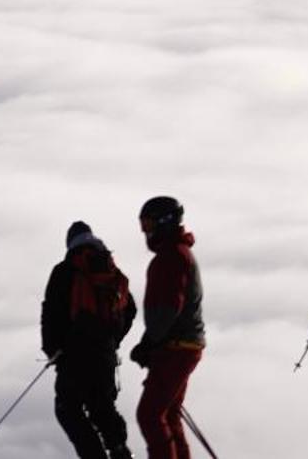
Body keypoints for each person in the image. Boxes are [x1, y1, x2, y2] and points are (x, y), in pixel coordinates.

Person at [42, 220, 138, 459]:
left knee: (67, 409)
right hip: (104, 353)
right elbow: (130, 309)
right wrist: (112, 340)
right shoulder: (111, 272)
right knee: (101, 407)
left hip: (73, 354)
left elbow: (51, 313)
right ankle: (120, 451)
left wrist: (53, 350)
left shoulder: (65, 270)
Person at [127, 196, 204, 459]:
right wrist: (152, 343)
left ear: (165, 223)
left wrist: (150, 342)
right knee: (168, 413)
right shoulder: (174, 254)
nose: (146, 232)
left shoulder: (173, 257)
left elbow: (170, 307)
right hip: (180, 345)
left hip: (178, 347)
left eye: (148, 225)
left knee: (149, 415)